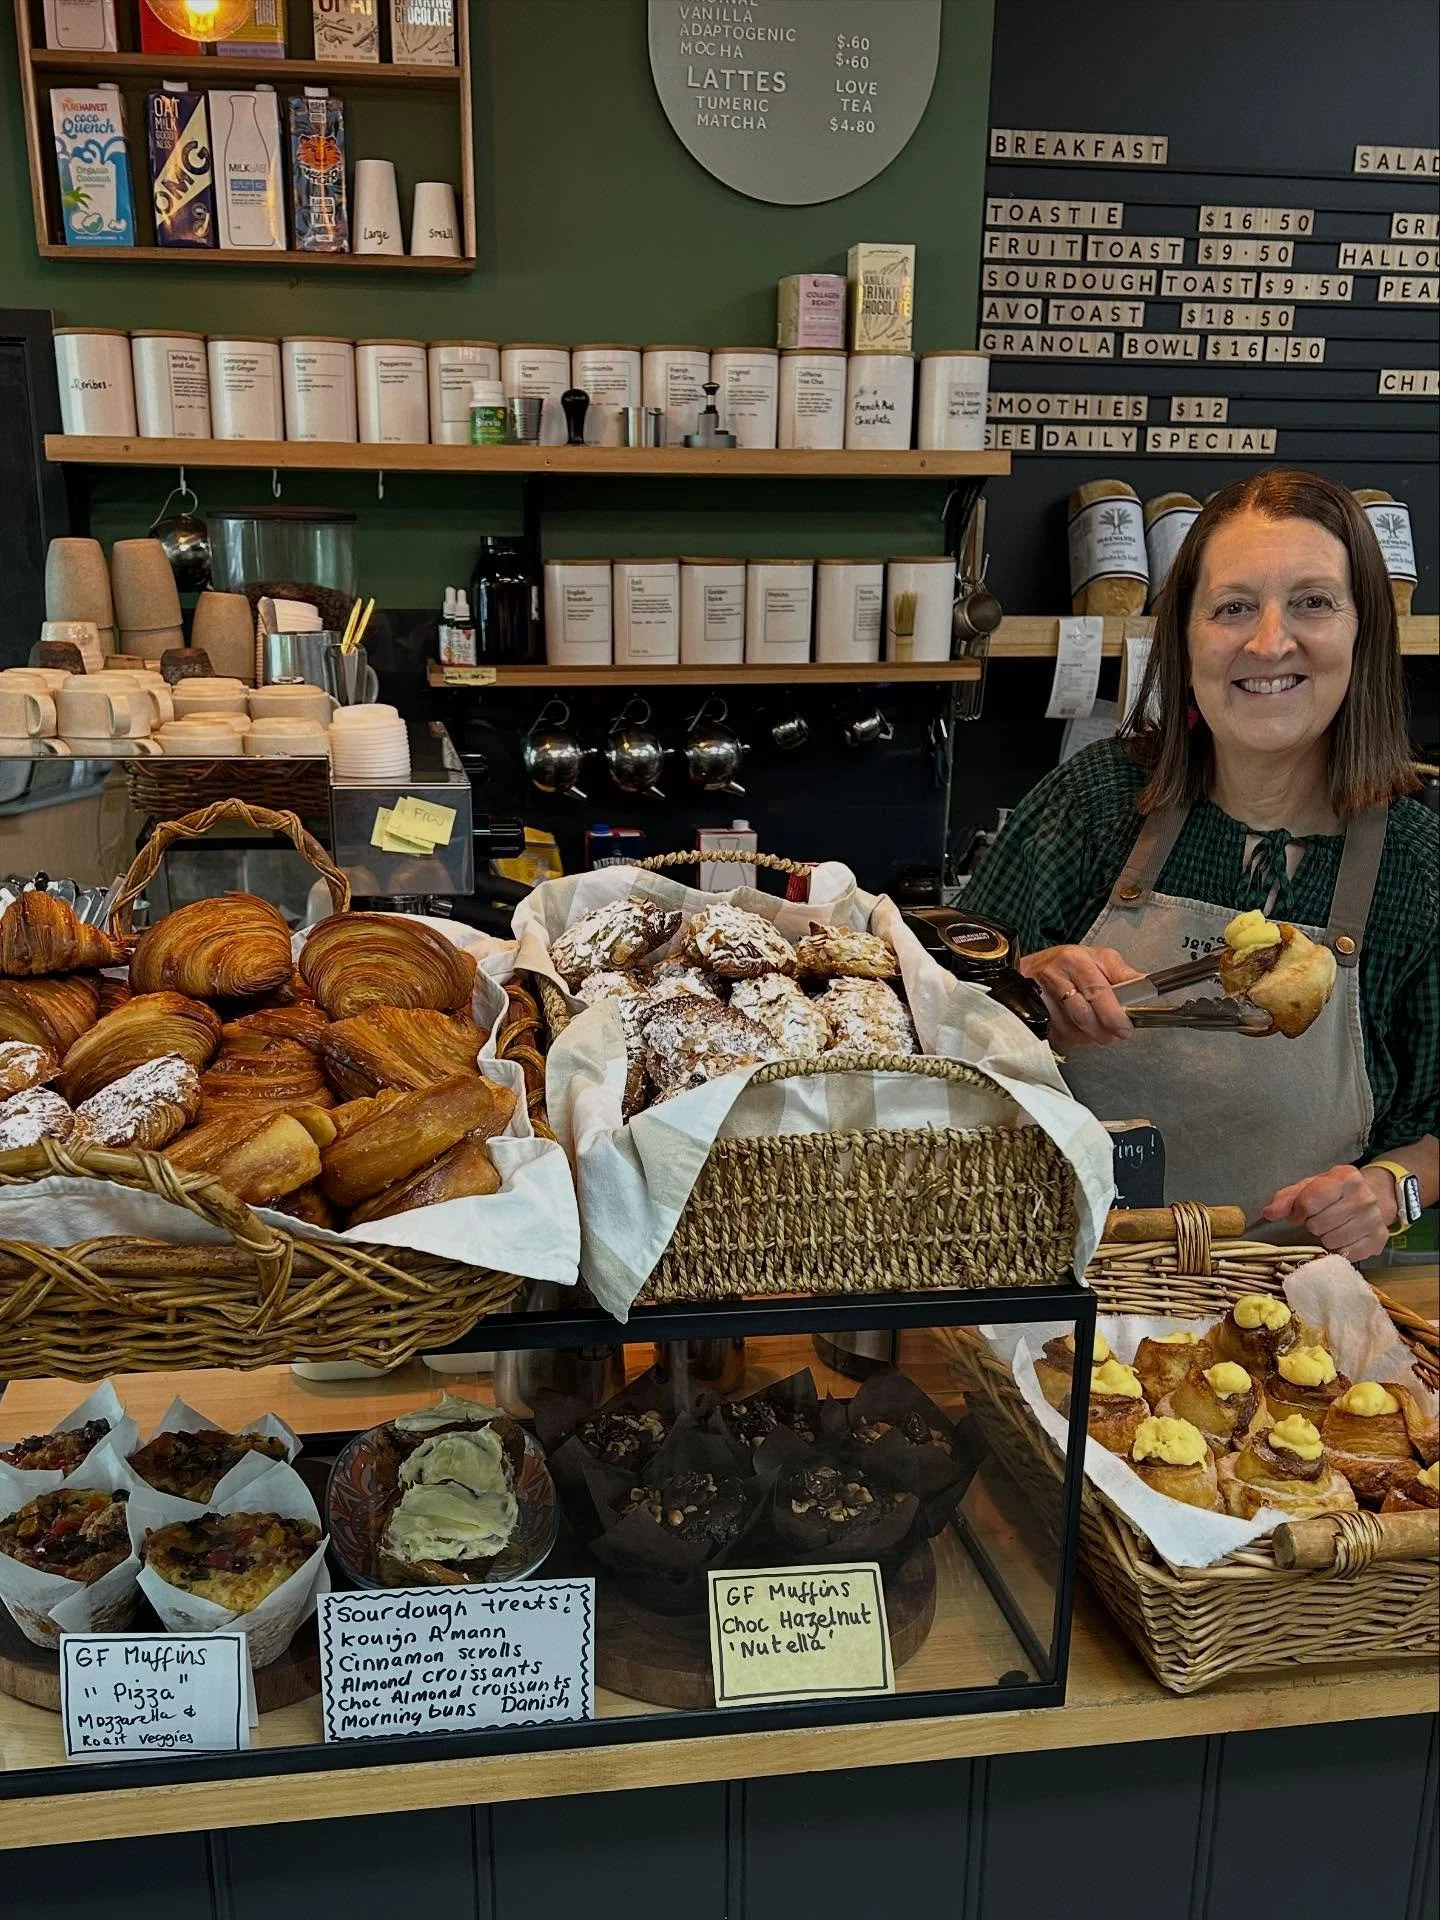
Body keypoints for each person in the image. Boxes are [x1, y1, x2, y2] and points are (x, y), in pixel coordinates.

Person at [964, 469, 1437, 1260]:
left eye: (1314, 602)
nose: (1268, 642)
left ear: (1364, 631)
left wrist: (1393, 1189)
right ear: (1186, 636)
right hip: (1055, 1294)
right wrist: (1028, 989)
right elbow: (932, 1016)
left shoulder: (1416, 866)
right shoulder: (1098, 801)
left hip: (1291, 1330)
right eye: (1233, 608)